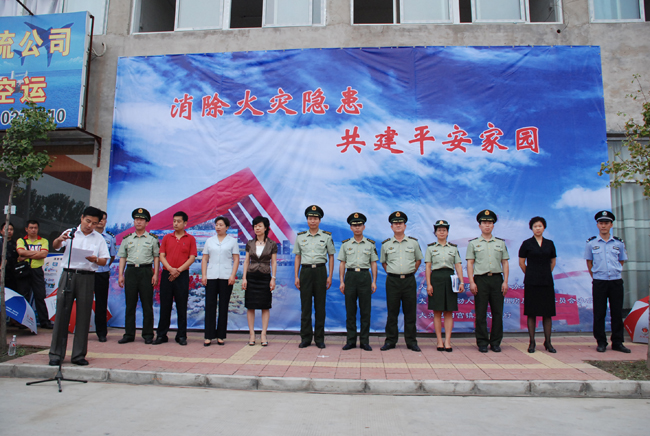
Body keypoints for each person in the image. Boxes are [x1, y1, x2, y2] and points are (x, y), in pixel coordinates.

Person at [48, 206, 110, 366]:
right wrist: (60, 239)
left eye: (94, 223)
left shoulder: (99, 238)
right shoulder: (71, 232)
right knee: (62, 314)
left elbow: (104, 260)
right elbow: (55, 245)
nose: (90, 225)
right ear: (82, 218)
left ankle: (78, 355)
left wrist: (95, 260)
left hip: (87, 277)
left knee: (84, 315)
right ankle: (56, 354)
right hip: (68, 275)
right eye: (88, 221)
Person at [584, 210, 631, 353]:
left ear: (611, 225)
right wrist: (596, 276)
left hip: (616, 281)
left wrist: (614, 271)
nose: (603, 226)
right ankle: (601, 342)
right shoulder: (591, 243)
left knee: (616, 312)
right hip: (600, 281)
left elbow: (621, 260)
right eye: (601, 223)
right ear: (597, 225)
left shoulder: (618, 243)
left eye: (606, 223)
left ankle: (617, 342)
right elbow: (589, 262)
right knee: (599, 313)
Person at [466, 209, 510, 353]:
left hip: (497, 279)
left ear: (493, 225)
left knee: (497, 313)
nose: (487, 225)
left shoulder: (500, 243)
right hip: (480, 280)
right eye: (484, 223)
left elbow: (505, 262)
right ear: (479, 225)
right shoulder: (473, 243)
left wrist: (505, 281)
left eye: (490, 223)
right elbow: (470, 263)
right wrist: (472, 282)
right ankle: (482, 342)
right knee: (481, 313)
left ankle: (496, 342)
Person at [380, 211, 423, 352]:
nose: (398, 225)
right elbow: (384, 262)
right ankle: (390, 341)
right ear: (391, 227)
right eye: (395, 223)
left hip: (409, 280)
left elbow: (418, 260)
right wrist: (394, 272)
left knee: (410, 312)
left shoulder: (413, 243)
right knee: (392, 312)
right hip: (393, 281)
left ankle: (411, 342)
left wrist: (409, 272)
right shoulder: (386, 244)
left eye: (400, 223)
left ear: (405, 226)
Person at [293, 205, 335, 349]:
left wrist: (329, 276)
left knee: (320, 306)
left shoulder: (326, 236)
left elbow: (331, 256)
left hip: (320, 271)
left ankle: (319, 339)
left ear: (319, 220)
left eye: (315, 218)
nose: (313, 221)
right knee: (305, 306)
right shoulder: (300, 236)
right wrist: (296, 276)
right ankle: (305, 338)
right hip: (305, 272)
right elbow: (298, 257)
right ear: (307, 220)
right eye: (310, 218)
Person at [117, 208, 160, 345]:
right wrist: (120, 275)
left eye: (141, 219)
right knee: (130, 304)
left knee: (147, 304)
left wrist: (155, 274)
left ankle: (148, 334)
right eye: (136, 219)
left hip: (146, 271)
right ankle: (129, 334)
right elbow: (123, 257)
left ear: (146, 223)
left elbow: (156, 257)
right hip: (131, 271)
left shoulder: (152, 239)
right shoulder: (127, 239)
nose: (139, 222)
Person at [154, 211, 197, 346]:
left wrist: (178, 270)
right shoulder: (167, 238)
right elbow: (161, 256)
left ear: (185, 223)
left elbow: (192, 258)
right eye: (174, 221)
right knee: (165, 306)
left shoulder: (190, 239)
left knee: (181, 306)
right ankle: (161, 335)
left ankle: (181, 335)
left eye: (179, 221)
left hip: (182, 275)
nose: (176, 224)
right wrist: (170, 269)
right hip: (167, 274)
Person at [338, 212, 378, 351]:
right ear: (351, 227)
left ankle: (365, 341)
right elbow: (342, 263)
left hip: (365, 277)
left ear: (364, 227)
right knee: (350, 311)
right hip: (350, 277)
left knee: (365, 311)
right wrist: (342, 281)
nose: (357, 228)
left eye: (359, 225)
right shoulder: (346, 244)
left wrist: (374, 281)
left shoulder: (370, 244)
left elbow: (373, 263)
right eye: (354, 225)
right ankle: (351, 341)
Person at [518, 216, 557, 353]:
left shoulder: (550, 243)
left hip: (546, 281)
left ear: (544, 227)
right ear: (531, 228)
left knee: (547, 313)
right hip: (531, 282)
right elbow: (521, 263)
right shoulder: (527, 243)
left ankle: (548, 342)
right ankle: (532, 342)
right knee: (532, 312)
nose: (538, 228)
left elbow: (553, 261)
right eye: (535, 226)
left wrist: (544, 273)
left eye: (540, 226)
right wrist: (531, 274)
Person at [425, 220, 464, 352]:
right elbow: (428, 267)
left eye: (444, 230)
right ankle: (439, 341)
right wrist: (429, 284)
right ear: (435, 232)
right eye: (439, 230)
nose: (441, 232)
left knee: (448, 311)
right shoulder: (431, 248)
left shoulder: (453, 248)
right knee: (437, 311)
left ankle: (447, 341)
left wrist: (461, 282)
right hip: (436, 278)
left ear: (447, 232)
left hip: (450, 279)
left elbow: (458, 265)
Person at [201, 216, 239, 346]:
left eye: (221, 225)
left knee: (223, 306)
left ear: (227, 227)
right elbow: (205, 259)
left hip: (226, 276)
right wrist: (204, 275)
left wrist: (233, 275)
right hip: (211, 276)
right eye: (216, 224)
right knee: (210, 305)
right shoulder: (209, 241)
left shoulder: (232, 241)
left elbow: (236, 260)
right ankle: (208, 335)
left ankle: (221, 335)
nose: (218, 227)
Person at [241, 216, 277, 347]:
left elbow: (274, 262)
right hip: (251, 276)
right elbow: (246, 261)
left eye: (260, 226)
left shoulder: (272, 244)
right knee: (250, 306)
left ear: (266, 228)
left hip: (265, 276)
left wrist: (273, 278)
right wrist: (244, 278)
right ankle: (251, 334)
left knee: (265, 306)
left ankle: (263, 334)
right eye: (255, 226)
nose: (257, 228)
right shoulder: (250, 243)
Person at [16, 219, 53, 329]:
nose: (33, 230)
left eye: (35, 228)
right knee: (24, 296)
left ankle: (44, 322)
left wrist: (26, 255)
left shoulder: (44, 241)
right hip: (24, 270)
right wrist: (37, 253)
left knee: (40, 296)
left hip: (37, 270)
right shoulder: (21, 240)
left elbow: (44, 254)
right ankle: (23, 322)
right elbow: (20, 252)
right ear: (26, 229)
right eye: (31, 228)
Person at [94, 211, 117, 342]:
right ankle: (82, 330)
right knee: (84, 302)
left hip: (102, 273)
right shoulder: (88, 235)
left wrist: (104, 265)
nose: (101, 221)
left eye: (103, 219)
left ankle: (101, 333)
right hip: (87, 273)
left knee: (101, 304)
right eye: (99, 219)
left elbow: (112, 256)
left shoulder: (110, 238)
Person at [1, 222, 19, 293]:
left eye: (11, 229)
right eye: (6, 229)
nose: (9, 231)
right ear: (1, 231)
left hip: (13, 275)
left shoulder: (17, 243)